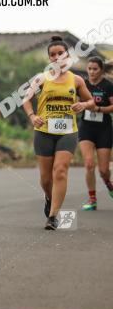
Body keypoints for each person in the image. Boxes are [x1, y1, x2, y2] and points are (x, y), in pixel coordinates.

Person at [22, 36, 98, 230]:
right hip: (44, 131)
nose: (57, 57)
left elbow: (91, 102)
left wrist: (83, 104)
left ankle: (53, 216)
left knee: (61, 171)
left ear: (67, 55)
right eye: (52, 55)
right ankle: (49, 197)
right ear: (49, 59)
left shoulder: (77, 79)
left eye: (60, 53)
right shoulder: (41, 78)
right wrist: (32, 116)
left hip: (68, 131)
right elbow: (25, 99)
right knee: (46, 178)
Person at [78, 56, 113, 210]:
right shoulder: (83, 84)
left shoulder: (108, 85)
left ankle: (109, 184)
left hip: (104, 128)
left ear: (101, 70)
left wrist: (99, 109)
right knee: (89, 164)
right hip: (86, 128)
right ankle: (92, 200)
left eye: (95, 69)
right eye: (89, 69)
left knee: (104, 170)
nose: (91, 72)